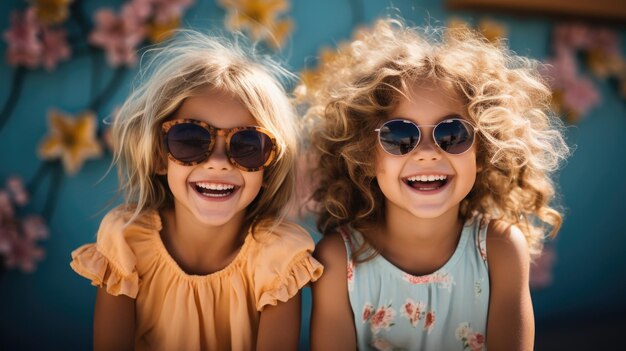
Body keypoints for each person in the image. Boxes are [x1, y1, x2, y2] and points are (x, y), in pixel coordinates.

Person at [301, 18, 569, 351]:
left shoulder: (500, 250)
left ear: (483, 151)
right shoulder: (338, 260)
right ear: (365, 156)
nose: (427, 153)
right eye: (399, 136)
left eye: (452, 134)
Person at [70, 30, 323, 351]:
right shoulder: (125, 243)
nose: (218, 163)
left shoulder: (278, 260)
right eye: (190, 139)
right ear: (161, 157)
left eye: (247, 146)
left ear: (268, 167)